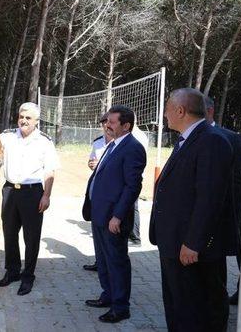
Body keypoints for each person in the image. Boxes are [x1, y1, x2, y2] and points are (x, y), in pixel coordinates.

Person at [149, 88, 232, 331]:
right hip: (174, 243)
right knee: (179, 307)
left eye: (166, 109)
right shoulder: (187, 140)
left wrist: (194, 242)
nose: (164, 115)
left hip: (192, 249)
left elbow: (210, 198)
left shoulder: (211, 141)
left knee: (197, 311)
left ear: (180, 110)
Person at [82, 105, 146, 323]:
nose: (106, 125)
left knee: (116, 262)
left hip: (113, 219)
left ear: (126, 126)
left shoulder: (133, 148)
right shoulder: (112, 145)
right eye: (107, 121)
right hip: (100, 215)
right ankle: (107, 295)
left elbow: (132, 187)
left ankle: (120, 307)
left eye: (112, 122)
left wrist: (117, 216)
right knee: (103, 260)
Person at [0, 102, 59, 296]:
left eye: (28, 118)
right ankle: (12, 271)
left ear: (37, 121)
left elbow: (50, 170)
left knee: (31, 237)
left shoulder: (44, 142)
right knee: (10, 234)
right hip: (10, 191)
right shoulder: (6, 136)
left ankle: (28, 276)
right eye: (21, 117)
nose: (23, 120)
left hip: (33, 193)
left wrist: (46, 196)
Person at [204, 95, 241, 306]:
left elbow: (240, 181)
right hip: (200, 220)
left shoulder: (232, 138)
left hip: (231, 214)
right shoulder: (187, 139)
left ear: (209, 111)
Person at [83, 113, 112, 272]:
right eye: (104, 124)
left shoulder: (120, 144)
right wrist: (91, 164)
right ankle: (99, 261)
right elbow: (91, 161)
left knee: (110, 233)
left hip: (110, 196)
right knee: (97, 230)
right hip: (96, 193)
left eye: (109, 123)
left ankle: (109, 263)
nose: (107, 127)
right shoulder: (98, 143)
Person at [129, 126, 149, 245]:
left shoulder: (137, 136)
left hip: (134, 176)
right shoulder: (138, 135)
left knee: (133, 206)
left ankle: (135, 237)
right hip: (134, 175)